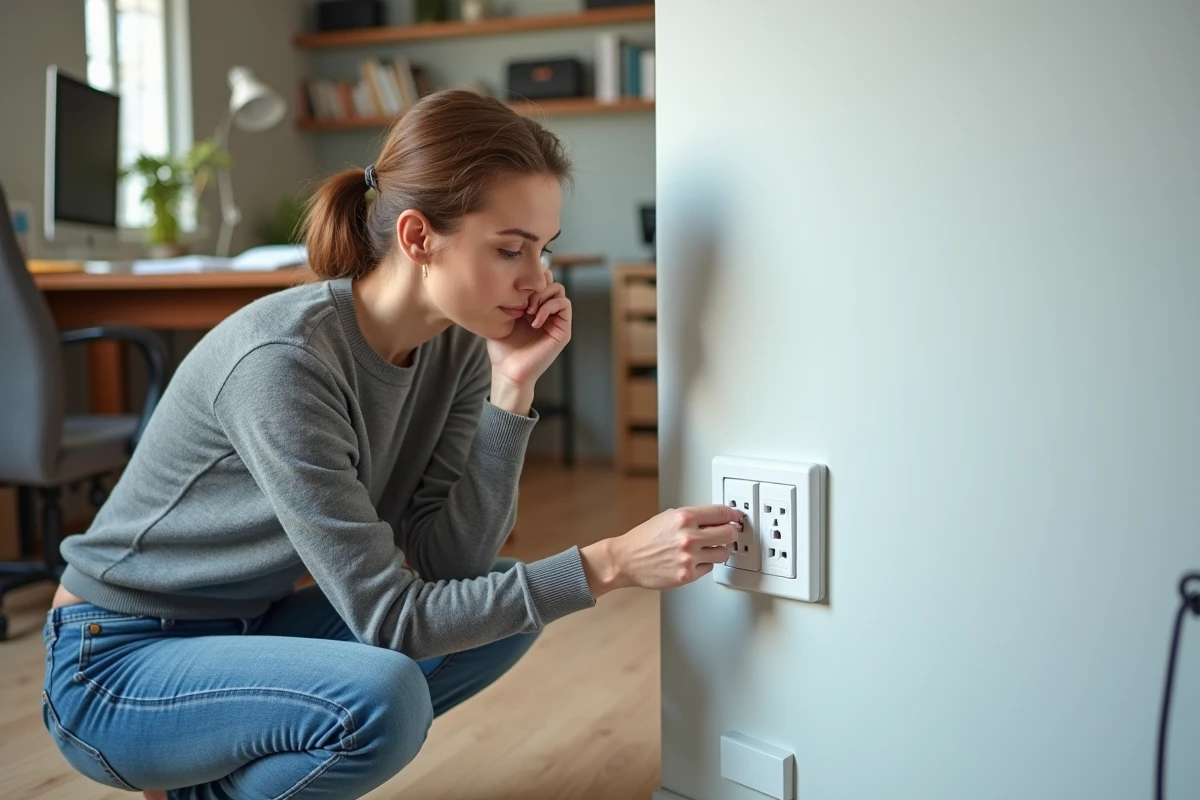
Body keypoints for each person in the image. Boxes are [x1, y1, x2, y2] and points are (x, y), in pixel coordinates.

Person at [41, 89, 743, 800]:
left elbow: (450, 562)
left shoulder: (457, 347)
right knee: (391, 691)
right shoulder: (285, 363)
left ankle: (237, 769)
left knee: (506, 609)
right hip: (117, 660)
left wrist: (513, 391)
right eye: (510, 249)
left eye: (544, 251)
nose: (539, 281)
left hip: (248, 626)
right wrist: (612, 562)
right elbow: (393, 621)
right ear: (417, 238)